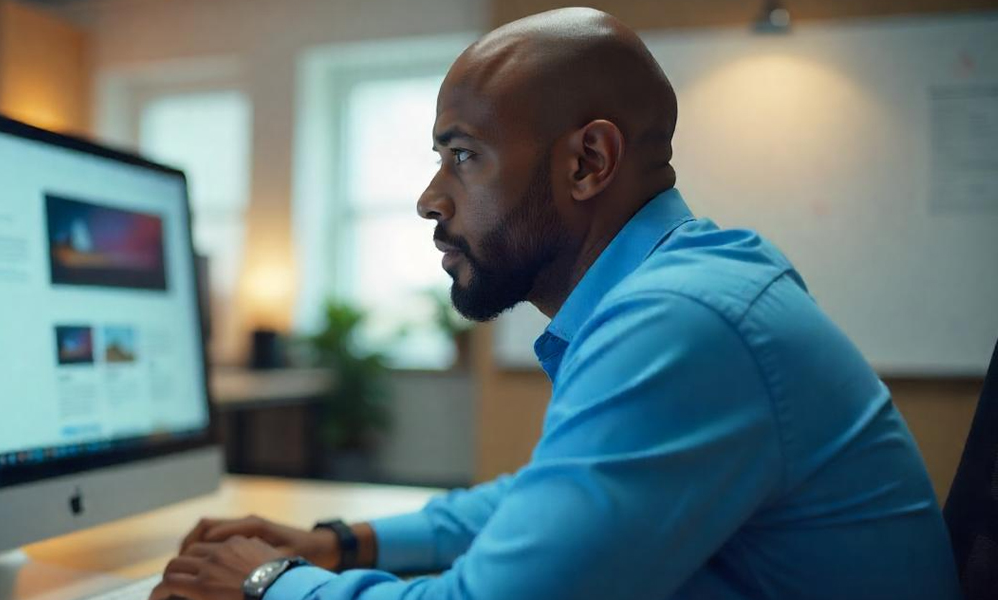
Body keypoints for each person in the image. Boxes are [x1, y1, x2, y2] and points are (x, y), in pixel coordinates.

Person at [150, 7, 961, 600]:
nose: (431, 200)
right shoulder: (685, 287)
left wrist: (264, 583)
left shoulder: (684, 321)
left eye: (464, 156)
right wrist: (339, 542)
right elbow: (548, 500)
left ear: (588, 163)